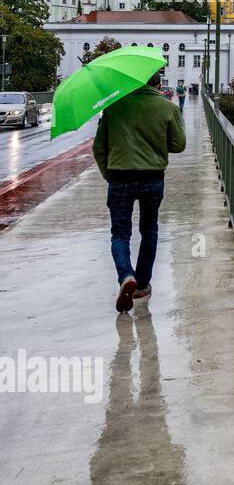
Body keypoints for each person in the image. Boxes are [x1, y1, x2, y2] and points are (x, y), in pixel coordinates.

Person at [92, 69, 186, 312]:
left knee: (120, 234)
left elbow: (98, 148)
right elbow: (178, 145)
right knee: (150, 230)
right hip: (152, 177)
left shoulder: (113, 107)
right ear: (158, 83)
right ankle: (142, 284)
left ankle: (126, 276)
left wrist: (108, 174)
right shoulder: (167, 107)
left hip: (120, 177)